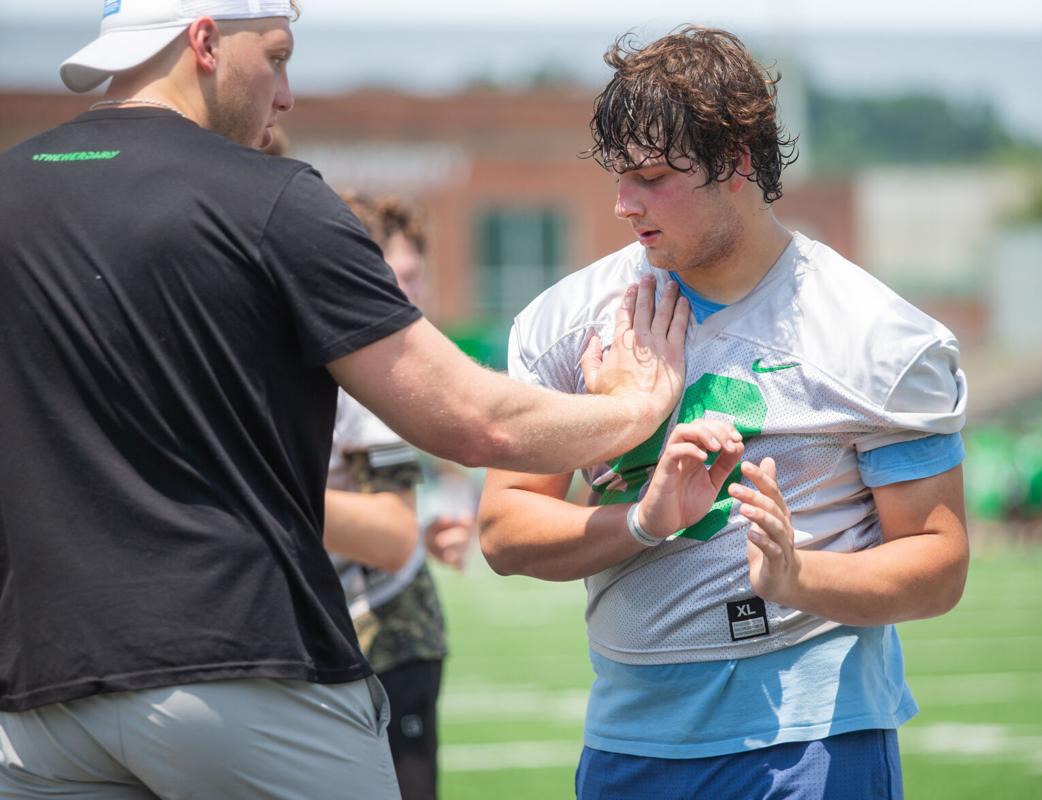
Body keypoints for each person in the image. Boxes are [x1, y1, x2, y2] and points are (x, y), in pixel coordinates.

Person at [0, 3, 688, 798]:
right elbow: (472, 420)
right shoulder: (271, 197)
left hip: (35, 698)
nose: (287, 94)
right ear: (205, 41)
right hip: (241, 672)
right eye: (279, 56)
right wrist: (636, 408)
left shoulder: (11, 189)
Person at [478, 26, 969, 800]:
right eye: (618, 176)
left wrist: (800, 575)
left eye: (650, 177)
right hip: (629, 739)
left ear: (737, 161)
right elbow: (504, 529)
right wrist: (644, 520)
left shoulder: (874, 334)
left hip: (816, 737)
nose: (622, 204)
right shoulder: (571, 323)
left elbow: (939, 565)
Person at [324, 193, 472, 799]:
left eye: (416, 277)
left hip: (387, 639)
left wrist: (252, 490)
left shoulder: (378, 373)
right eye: (396, 276)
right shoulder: (356, 362)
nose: (412, 293)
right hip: (334, 638)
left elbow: (388, 533)